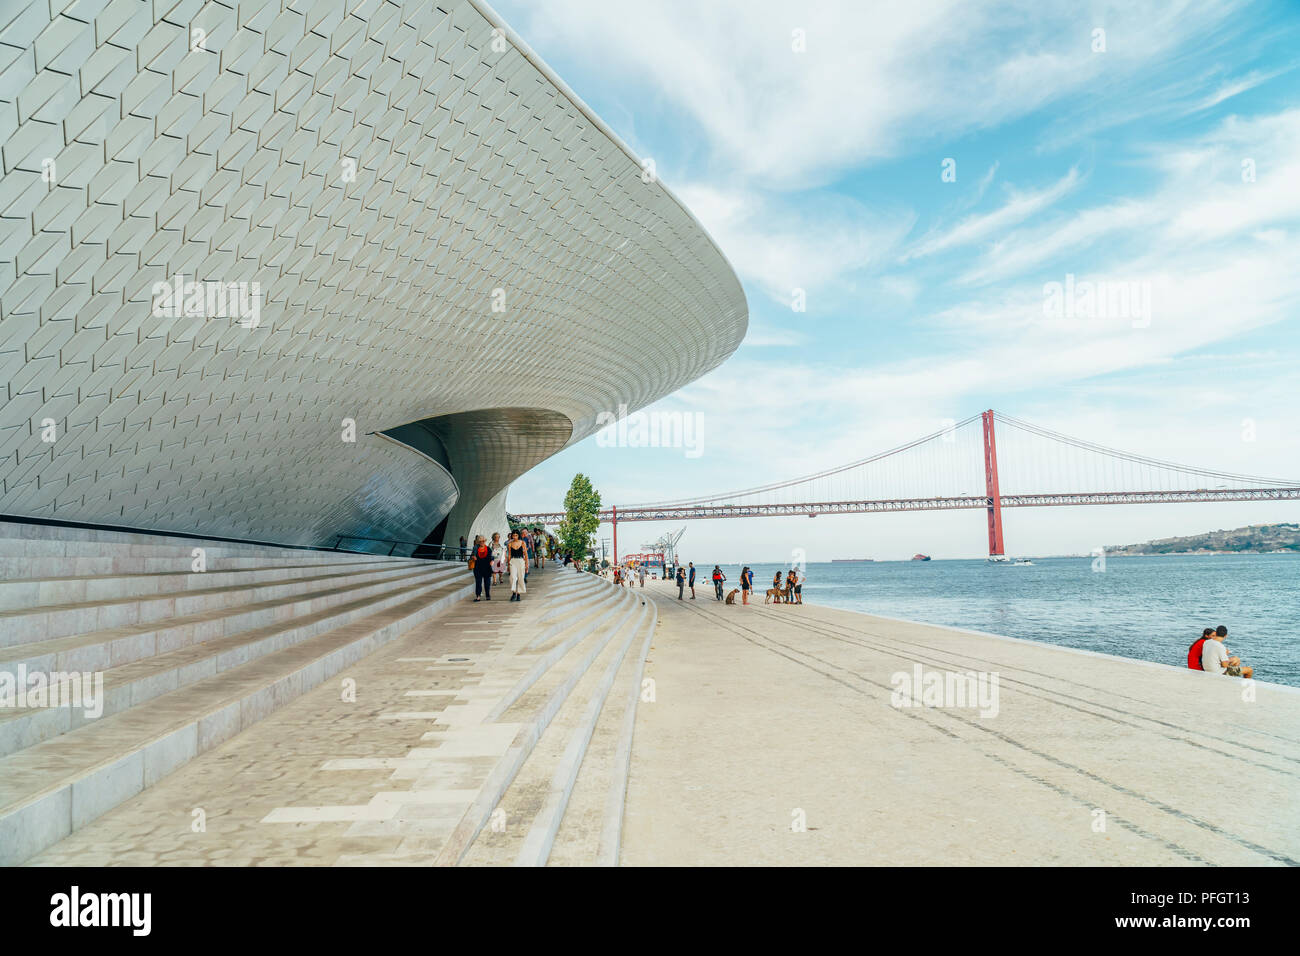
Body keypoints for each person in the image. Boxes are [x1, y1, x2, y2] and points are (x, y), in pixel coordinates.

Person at [507, 531, 527, 601]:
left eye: (516, 535)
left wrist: (526, 564)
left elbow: (526, 554)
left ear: (518, 535)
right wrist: (508, 565)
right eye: (514, 535)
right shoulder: (510, 544)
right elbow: (509, 554)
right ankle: (514, 593)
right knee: (512, 577)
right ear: (512, 536)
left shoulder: (522, 543)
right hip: (513, 561)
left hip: (521, 561)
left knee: (520, 577)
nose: (515, 537)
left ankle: (518, 594)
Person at [471, 535, 493, 601]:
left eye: (483, 541)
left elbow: (491, 557)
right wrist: (473, 557)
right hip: (478, 568)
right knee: (478, 582)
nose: (481, 542)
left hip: (487, 567)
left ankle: (487, 595)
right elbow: (471, 556)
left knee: (487, 583)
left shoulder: (488, 549)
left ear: (485, 541)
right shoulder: (475, 548)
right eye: (480, 541)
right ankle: (478, 596)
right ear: (478, 542)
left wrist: (492, 561)